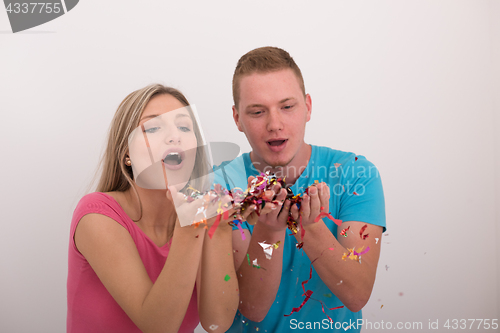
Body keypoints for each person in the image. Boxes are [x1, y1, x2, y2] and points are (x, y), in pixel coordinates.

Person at [213, 47, 386, 332]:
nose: (275, 124)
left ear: (308, 107)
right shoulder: (219, 186)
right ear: (237, 119)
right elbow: (252, 309)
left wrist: (310, 227)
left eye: (287, 107)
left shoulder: (356, 173)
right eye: (257, 112)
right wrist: (270, 229)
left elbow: (357, 294)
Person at [67, 84, 244, 333]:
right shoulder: (97, 215)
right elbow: (157, 326)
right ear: (126, 152)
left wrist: (222, 230)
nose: (175, 137)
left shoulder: (205, 212)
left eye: (184, 127)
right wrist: (190, 228)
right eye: (152, 127)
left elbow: (218, 323)